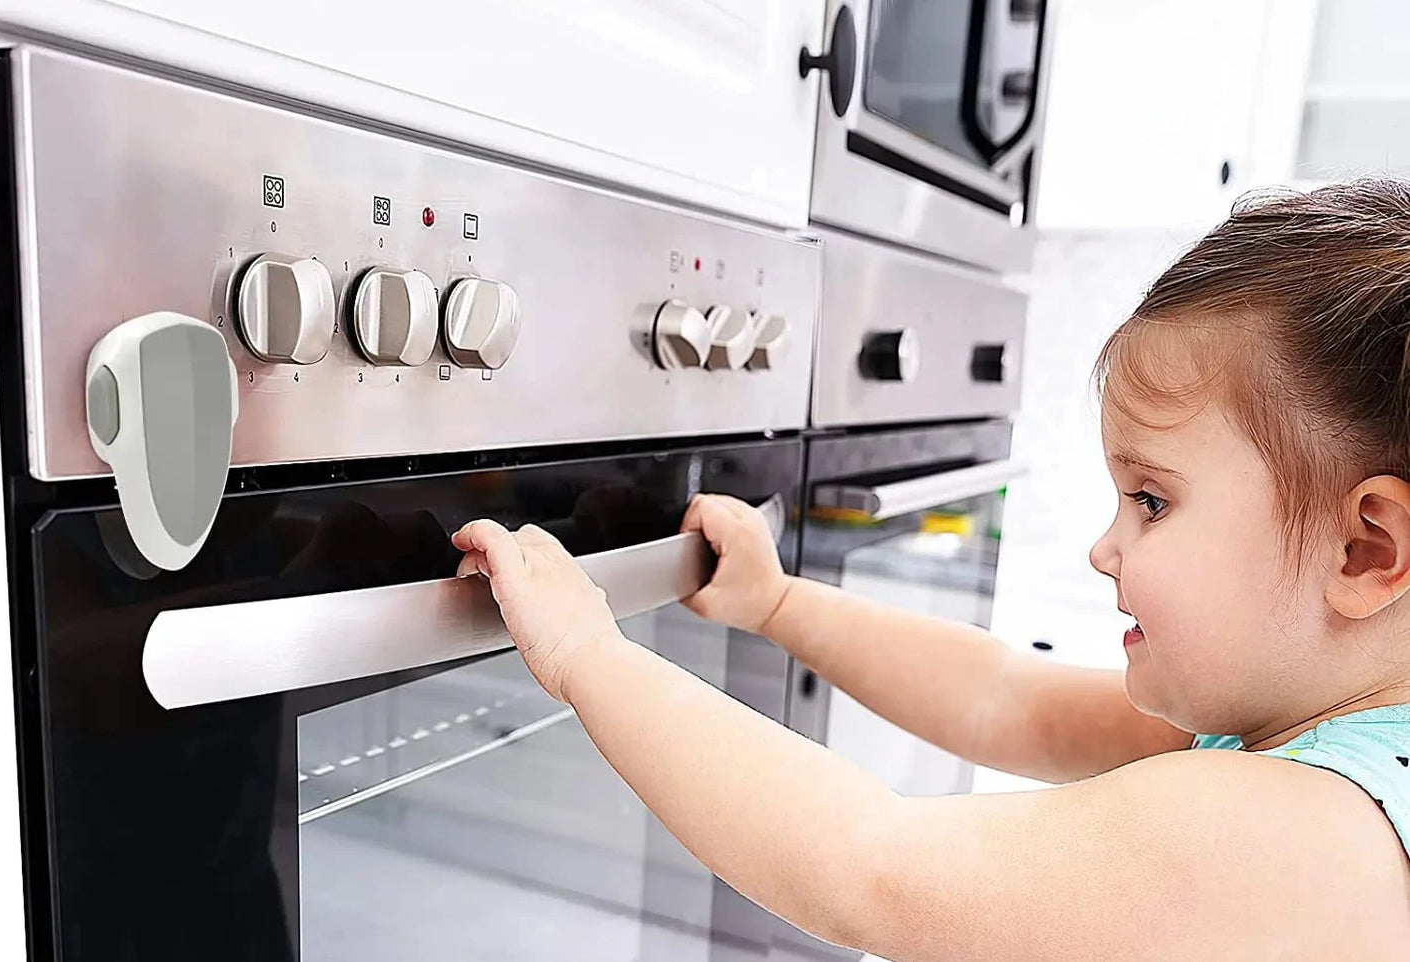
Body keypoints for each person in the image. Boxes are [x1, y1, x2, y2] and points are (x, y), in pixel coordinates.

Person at [452, 181, 1410, 960]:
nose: (1103, 548)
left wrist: (586, 652)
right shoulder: (1300, 742)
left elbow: (871, 874)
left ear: (1365, 551)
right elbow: (1004, 699)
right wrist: (778, 602)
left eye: (1150, 501)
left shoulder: (1301, 837)